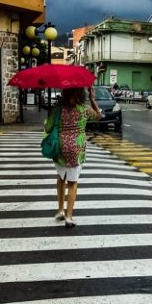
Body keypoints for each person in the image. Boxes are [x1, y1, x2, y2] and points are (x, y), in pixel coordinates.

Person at [44, 87, 101, 228]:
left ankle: (60, 210)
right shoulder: (84, 109)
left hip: (60, 148)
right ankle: (69, 217)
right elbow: (98, 116)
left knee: (61, 177)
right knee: (73, 183)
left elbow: (47, 128)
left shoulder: (58, 109)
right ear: (82, 94)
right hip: (77, 148)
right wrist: (93, 99)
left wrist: (48, 119)